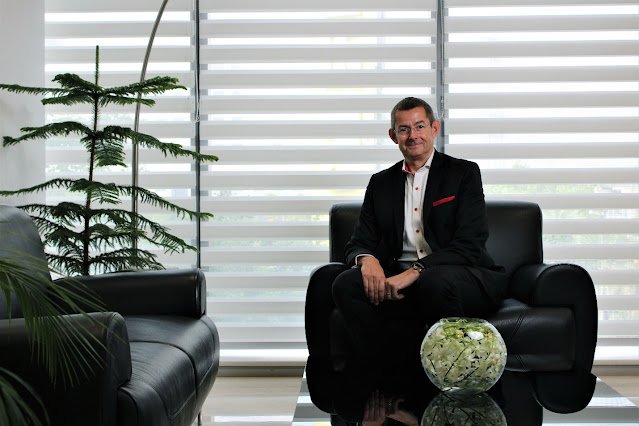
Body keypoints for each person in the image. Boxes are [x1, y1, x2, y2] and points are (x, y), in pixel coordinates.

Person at [332, 97, 506, 367]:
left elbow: (469, 244)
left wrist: (416, 271)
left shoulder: (464, 173)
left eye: (420, 126)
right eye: (404, 129)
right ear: (393, 136)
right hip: (399, 279)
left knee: (434, 281)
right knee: (344, 283)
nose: (413, 135)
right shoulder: (380, 183)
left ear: (435, 128)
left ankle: (448, 371)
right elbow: (359, 241)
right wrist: (367, 260)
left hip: (457, 277)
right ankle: (382, 370)